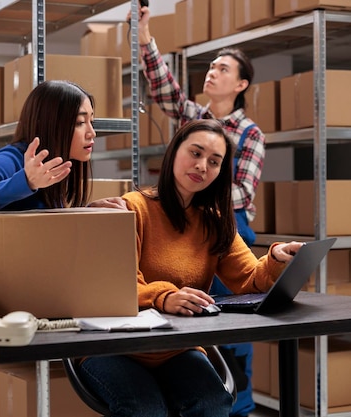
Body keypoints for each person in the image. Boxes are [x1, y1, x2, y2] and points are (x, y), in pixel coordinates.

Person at [83, 119, 304, 417]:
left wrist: (277, 256)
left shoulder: (214, 221)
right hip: (115, 347)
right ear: (174, 152)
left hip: (176, 347)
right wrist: (165, 297)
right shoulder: (133, 208)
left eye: (214, 161)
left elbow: (250, 279)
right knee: (147, 409)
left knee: (214, 403)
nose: (202, 166)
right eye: (196, 153)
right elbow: (117, 286)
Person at [130, 6, 265, 415]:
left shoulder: (249, 134)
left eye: (222, 68)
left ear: (240, 83)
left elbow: (241, 190)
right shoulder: (194, 117)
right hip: (181, 221)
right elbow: (165, 89)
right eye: (210, 66)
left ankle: (234, 408)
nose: (211, 72)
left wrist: (201, 197)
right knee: (186, 323)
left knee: (233, 335)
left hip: (227, 228)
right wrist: (144, 37)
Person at [0, 80, 96, 212]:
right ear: (47, 124)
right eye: (80, 122)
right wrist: (26, 181)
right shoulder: (9, 160)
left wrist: (92, 210)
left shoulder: (55, 167)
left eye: (92, 122)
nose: (92, 133)